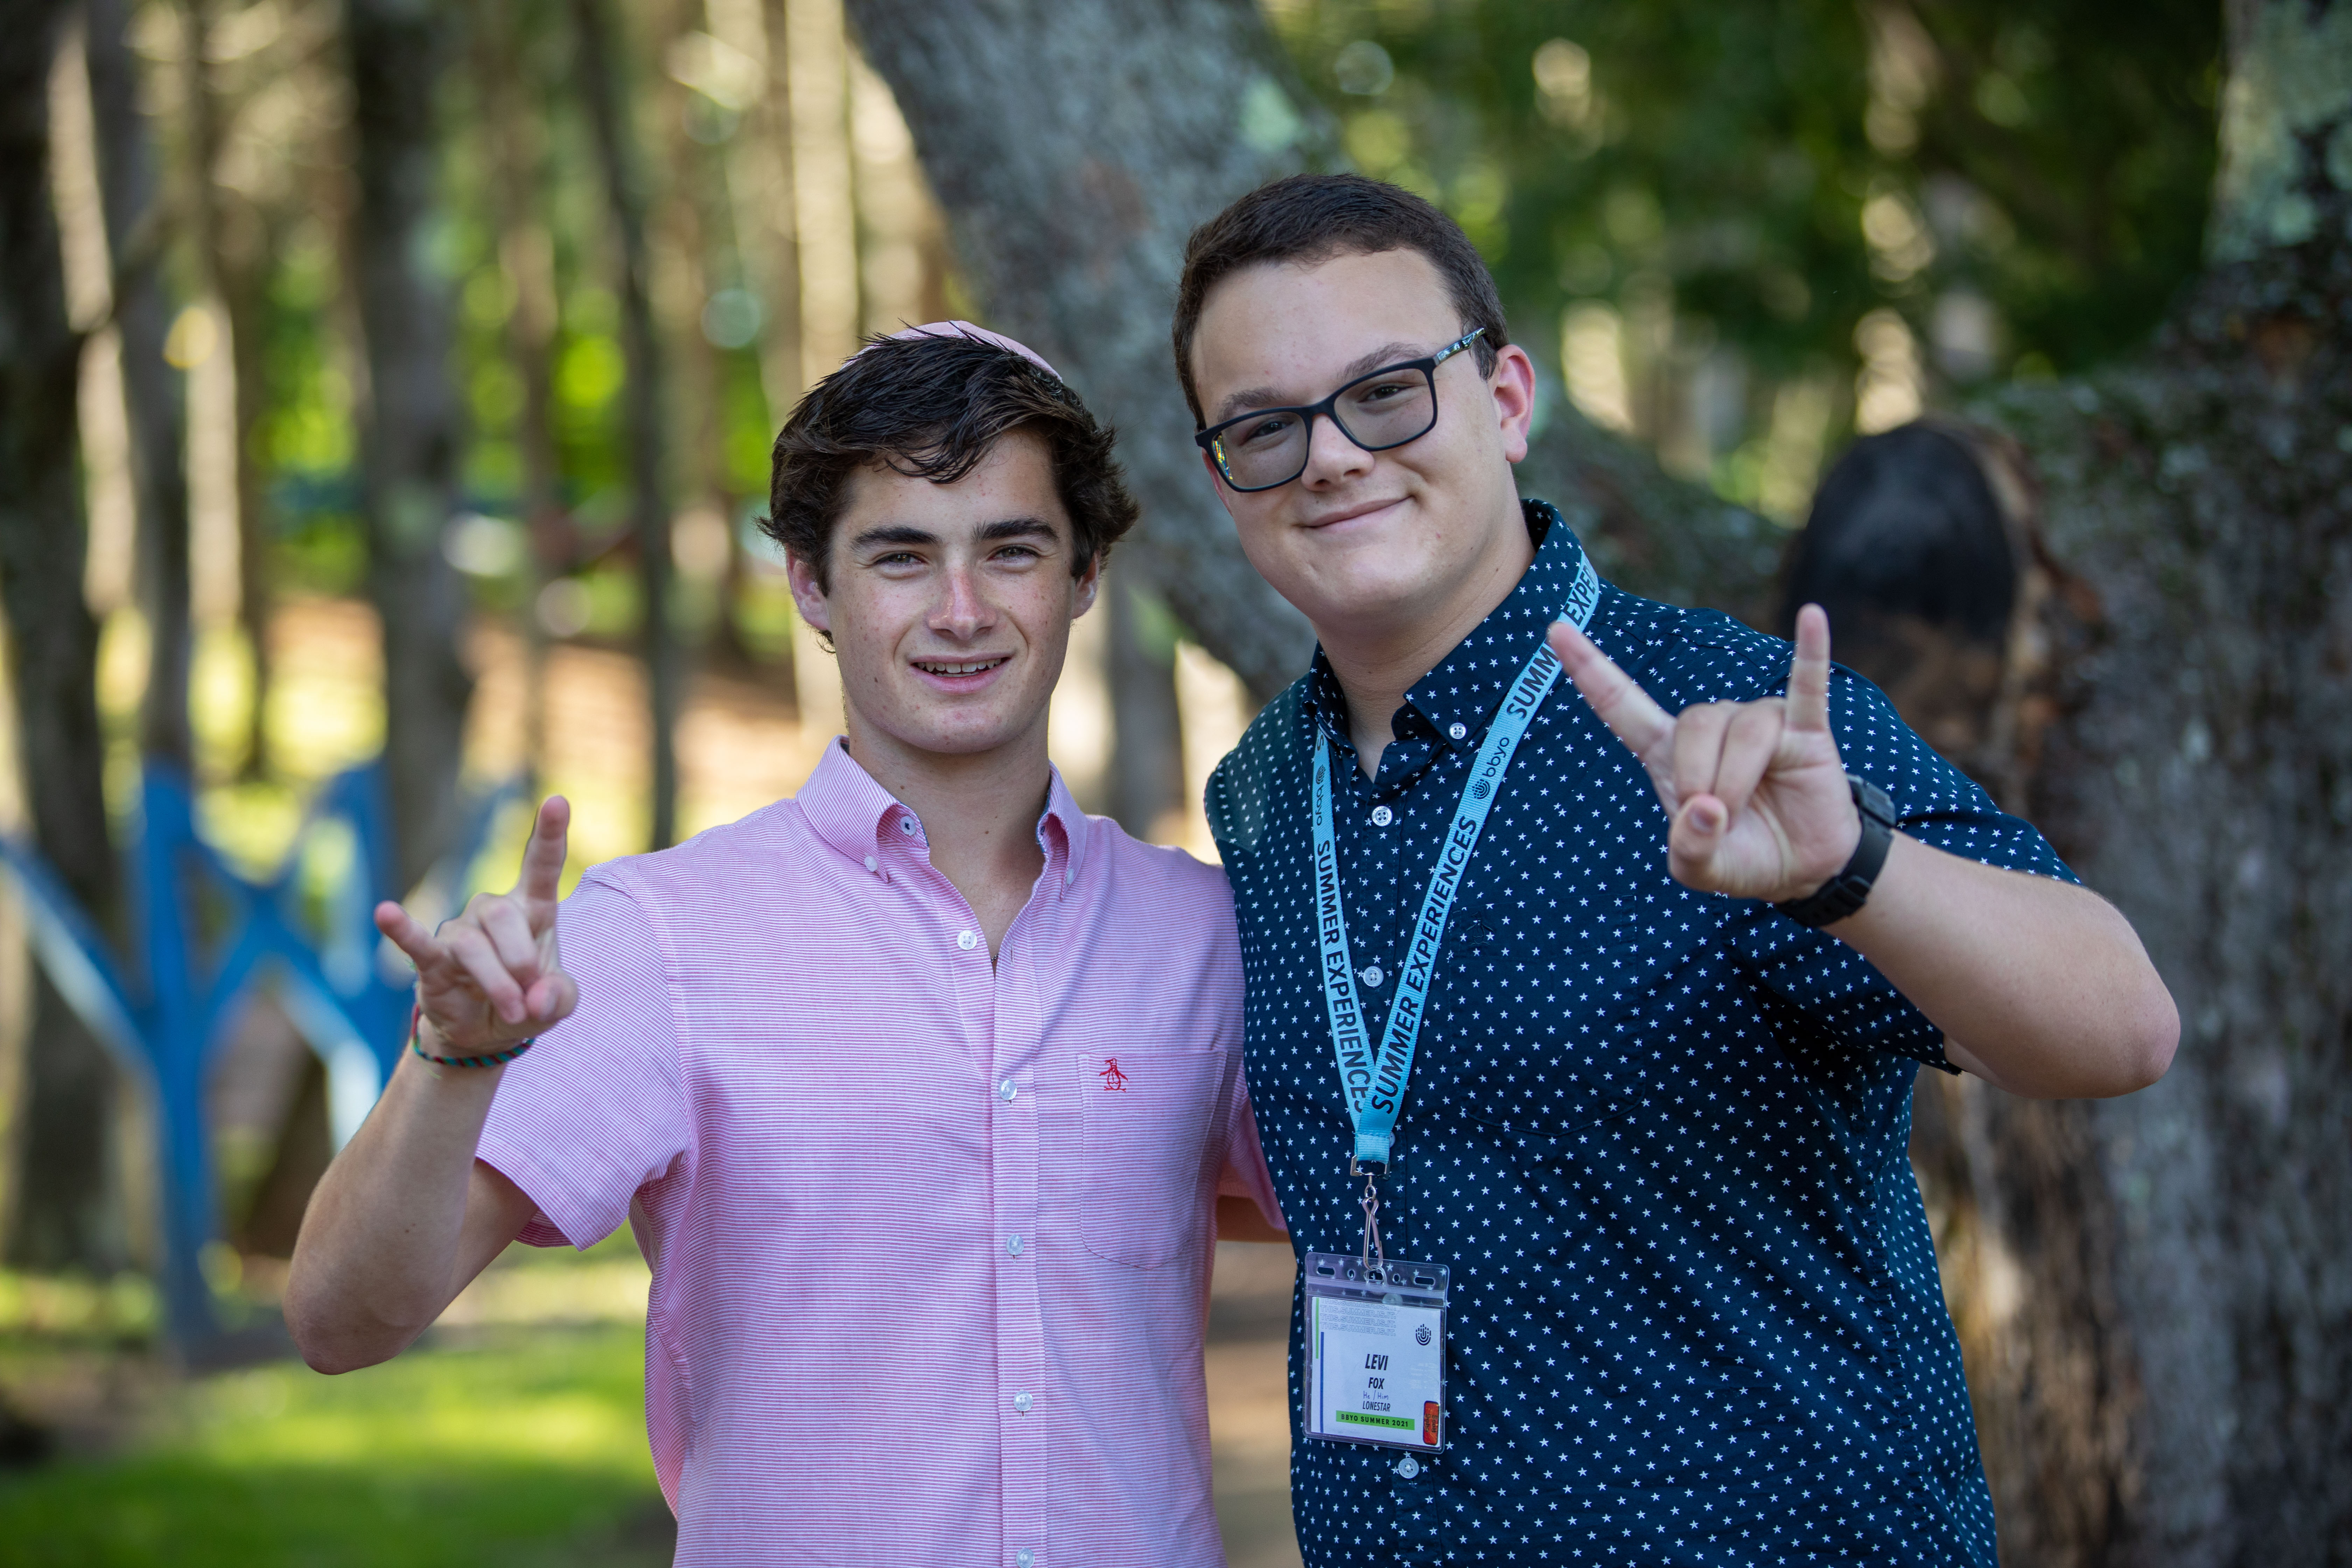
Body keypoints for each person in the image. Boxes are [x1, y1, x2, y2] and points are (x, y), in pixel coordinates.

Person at [1175, 174, 2178, 1566]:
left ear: (1508, 399)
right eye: (1263, 428)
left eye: (1389, 390)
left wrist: (1849, 866)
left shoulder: (1731, 712)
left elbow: (2123, 1025)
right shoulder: (1265, 792)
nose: (1332, 457)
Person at [286, 323, 1286, 1568]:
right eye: (902, 557)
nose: (962, 611)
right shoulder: (659, 939)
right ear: (814, 586)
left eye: (1012, 550)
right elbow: (342, 1321)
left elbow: (1412, 1201)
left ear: (1083, 573)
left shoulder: (1207, 936)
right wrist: (452, 1062)